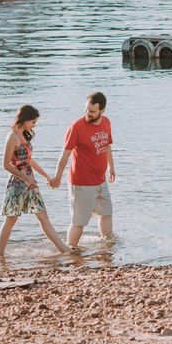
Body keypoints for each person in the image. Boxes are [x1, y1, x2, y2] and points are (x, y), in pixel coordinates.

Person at [0, 105, 69, 257]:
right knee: (11, 220)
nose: (34, 125)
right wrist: (25, 177)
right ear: (25, 119)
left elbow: (29, 160)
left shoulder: (23, 135)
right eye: (33, 122)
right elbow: (5, 165)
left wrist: (46, 175)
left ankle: (64, 250)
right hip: (17, 184)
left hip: (31, 183)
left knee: (43, 218)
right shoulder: (12, 137)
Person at [50, 92, 115, 248]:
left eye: (92, 111)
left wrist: (111, 167)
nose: (88, 113)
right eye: (86, 109)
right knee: (79, 221)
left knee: (106, 213)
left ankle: (107, 246)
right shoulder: (77, 127)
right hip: (82, 183)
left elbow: (107, 146)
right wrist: (57, 177)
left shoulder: (106, 122)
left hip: (101, 180)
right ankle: (71, 249)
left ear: (102, 111)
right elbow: (65, 155)